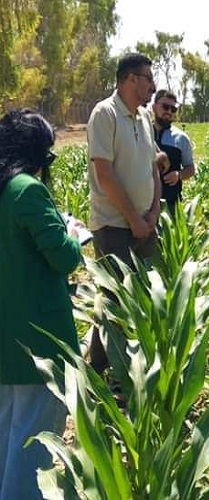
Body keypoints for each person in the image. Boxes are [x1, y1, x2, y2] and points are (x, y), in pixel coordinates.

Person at [0, 109, 84, 499]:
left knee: (7, 436)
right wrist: (72, 232)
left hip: (5, 344)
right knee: (34, 446)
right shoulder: (27, 190)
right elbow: (64, 257)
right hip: (39, 345)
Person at [86, 53, 166, 373]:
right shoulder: (104, 114)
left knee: (150, 292)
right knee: (115, 298)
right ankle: (113, 374)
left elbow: (153, 167)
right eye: (148, 78)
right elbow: (104, 174)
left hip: (145, 223)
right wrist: (133, 217)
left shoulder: (144, 117)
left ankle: (122, 362)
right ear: (130, 80)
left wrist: (154, 212)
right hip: (114, 225)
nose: (152, 85)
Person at [152, 89, 195, 215]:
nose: (169, 112)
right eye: (165, 107)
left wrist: (179, 175)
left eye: (173, 109)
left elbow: (190, 168)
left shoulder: (181, 138)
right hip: (143, 204)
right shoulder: (142, 133)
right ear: (154, 107)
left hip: (170, 205)